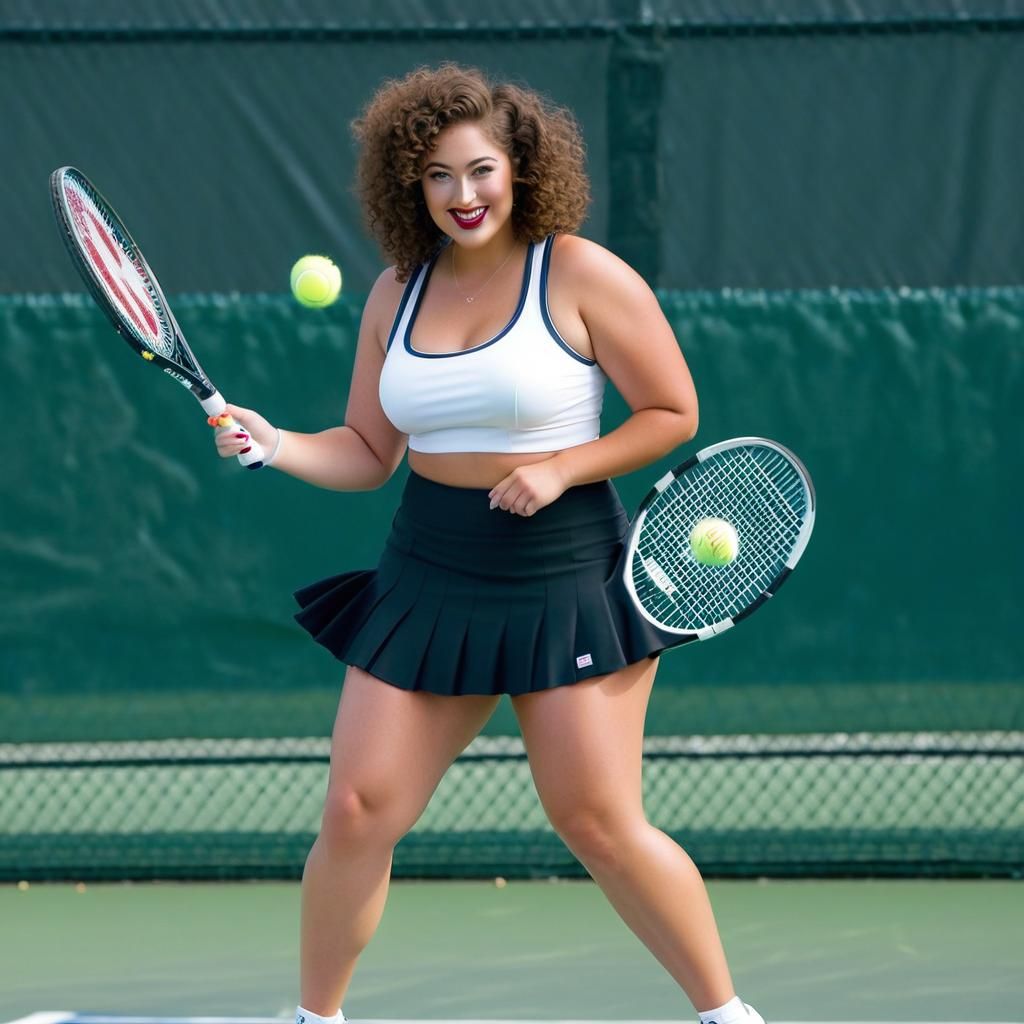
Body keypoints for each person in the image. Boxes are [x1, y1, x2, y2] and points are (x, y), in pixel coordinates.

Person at [217, 64, 765, 1024]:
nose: (462, 195)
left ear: (520, 167)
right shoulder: (396, 291)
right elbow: (367, 450)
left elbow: (672, 411)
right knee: (356, 811)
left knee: (597, 822)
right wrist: (276, 445)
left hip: (567, 570)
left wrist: (562, 466)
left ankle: (727, 1016)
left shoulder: (583, 273)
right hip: (428, 569)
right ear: (409, 185)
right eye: (436, 175)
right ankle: (314, 1021)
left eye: (479, 170)